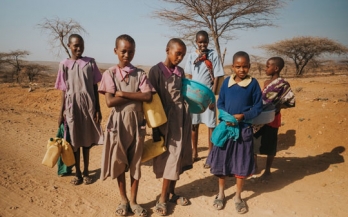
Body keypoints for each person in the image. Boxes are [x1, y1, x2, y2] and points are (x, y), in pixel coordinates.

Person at [98, 34, 153, 217]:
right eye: (123, 51)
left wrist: (122, 93)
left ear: (134, 52)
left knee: (135, 163)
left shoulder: (140, 74)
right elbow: (110, 102)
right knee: (119, 162)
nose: (126, 55)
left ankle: (134, 201)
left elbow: (147, 96)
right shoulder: (109, 74)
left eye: (130, 51)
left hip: (137, 124)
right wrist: (132, 93)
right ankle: (123, 200)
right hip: (118, 124)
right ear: (116, 51)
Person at [206, 51, 263, 214]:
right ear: (233, 67)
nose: (242, 69)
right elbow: (221, 102)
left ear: (249, 67)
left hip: (243, 129)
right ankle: (221, 193)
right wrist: (226, 116)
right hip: (226, 129)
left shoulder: (253, 84)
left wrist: (243, 116)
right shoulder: (226, 83)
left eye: (245, 66)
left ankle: (238, 196)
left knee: (241, 163)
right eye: (238, 66)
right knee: (222, 163)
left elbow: (258, 107)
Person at [147, 38, 192, 216]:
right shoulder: (155, 71)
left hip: (182, 120)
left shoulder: (180, 72)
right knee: (170, 158)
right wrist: (155, 128)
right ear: (167, 50)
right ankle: (162, 199)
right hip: (165, 122)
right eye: (177, 53)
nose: (179, 57)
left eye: (182, 55)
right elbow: (151, 100)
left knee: (179, 156)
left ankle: (172, 193)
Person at [55, 34, 103, 185]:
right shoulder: (64, 64)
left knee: (87, 141)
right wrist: (60, 112)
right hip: (72, 107)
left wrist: (98, 109)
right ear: (69, 45)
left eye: (81, 45)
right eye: (75, 45)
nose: (79, 48)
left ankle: (87, 171)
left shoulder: (90, 63)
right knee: (74, 141)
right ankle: (78, 173)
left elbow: (95, 86)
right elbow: (63, 90)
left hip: (88, 106)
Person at [184, 30, 225, 168]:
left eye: (205, 41)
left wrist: (212, 98)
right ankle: (194, 152)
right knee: (194, 125)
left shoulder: (213, 55)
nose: (202, 44)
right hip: (194, 96)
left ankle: (210, 155)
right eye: (200, 42)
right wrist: (188, 95)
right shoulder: (191, 56)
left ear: (208, 41)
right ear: (196, 42)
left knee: (211, 125)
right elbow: (189, 75)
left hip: (208, 95)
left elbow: (218, 76)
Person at [253, 57, 295, 179]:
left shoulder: (283, 84)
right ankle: (254, 166)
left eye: (268, 66)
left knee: (271, 144)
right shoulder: (266, 82)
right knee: (254, 142)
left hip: (273, 117)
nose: (265, 68)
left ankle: (267, 170)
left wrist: (278, 107)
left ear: (276, 68)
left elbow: (291, 101)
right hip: (260, 116)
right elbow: (262, 99)